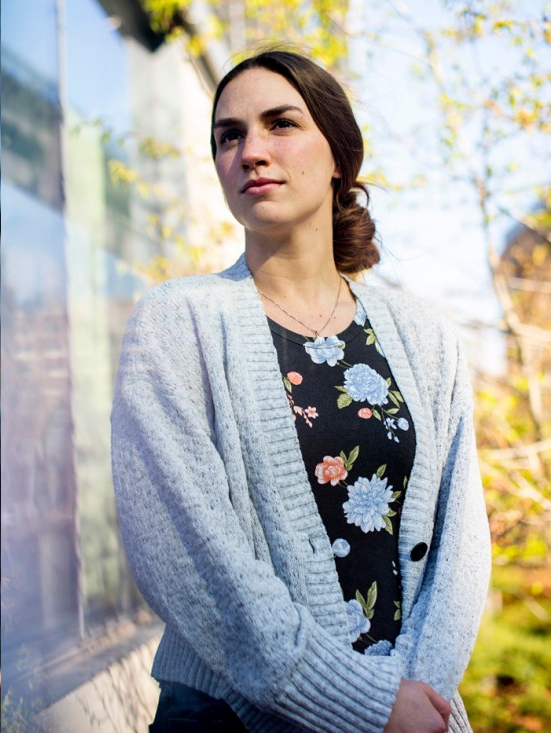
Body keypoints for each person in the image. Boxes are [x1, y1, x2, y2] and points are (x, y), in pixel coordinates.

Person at [111, 50, 490, 732]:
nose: (251, 150)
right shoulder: (177, 323)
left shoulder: (426, 336)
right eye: (229, 135)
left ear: (339, 154)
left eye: (280, 123)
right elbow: (190, 559)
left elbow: (463, 543)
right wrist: (370, 706)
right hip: (226, 715)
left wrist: (419, 696)